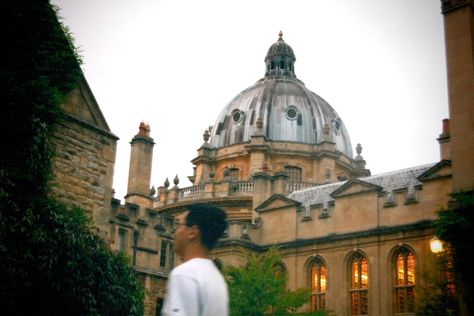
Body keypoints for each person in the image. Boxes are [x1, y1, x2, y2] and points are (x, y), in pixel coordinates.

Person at [162, 203, 228, 316]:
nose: (175, 231)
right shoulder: (217, 278)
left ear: (192, 232)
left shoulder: (185, 274)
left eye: (179, 225)